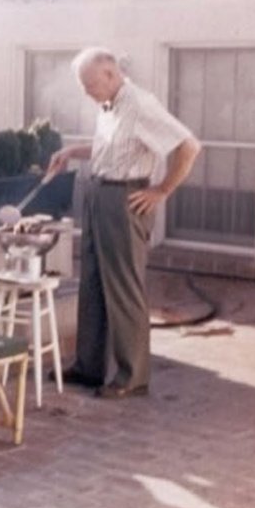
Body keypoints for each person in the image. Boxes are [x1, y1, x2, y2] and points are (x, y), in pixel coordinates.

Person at [45, 47, 201, 399]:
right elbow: (108, 150)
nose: (87, 93)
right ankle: (88, 368)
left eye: (89, 85)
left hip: (124, 199)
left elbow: (189, 146)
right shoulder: (109, 105)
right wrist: (71, 152)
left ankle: (132, 377)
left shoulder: (141, 104)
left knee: (124, 287)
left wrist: (162, 189)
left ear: (111, 75)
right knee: (94, 283)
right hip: (98, 194)